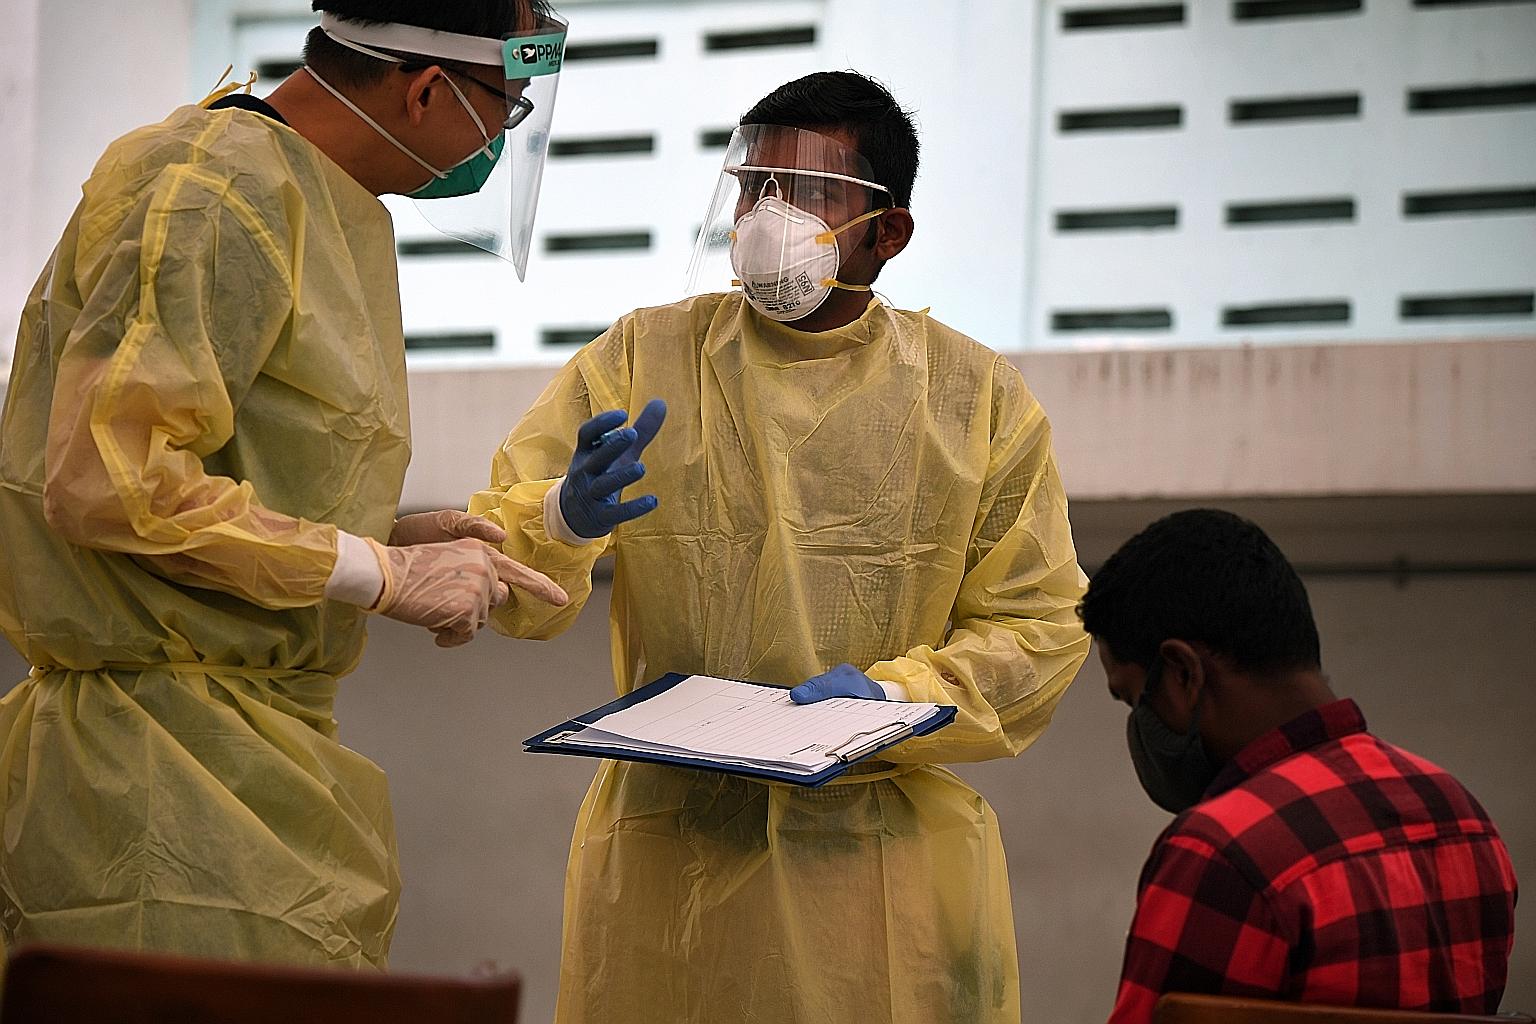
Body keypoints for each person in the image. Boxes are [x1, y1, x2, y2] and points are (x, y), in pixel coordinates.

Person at [471, 71, 1090, 1023]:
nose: (768, 217)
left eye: (808, 193)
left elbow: (1039, 627)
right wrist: (562, 517)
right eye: (755, 186)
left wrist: (895, 699)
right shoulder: (643, 359)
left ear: (888, 232)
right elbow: (501, 566)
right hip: (668, 866)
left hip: (873, 876)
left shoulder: (976, 400)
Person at [0, 0, 571, 968]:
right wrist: (376, 573)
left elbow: (223, 466)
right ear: (428, 90)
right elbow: (109, 481)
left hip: (242, 761)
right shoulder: (218, 190)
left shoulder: (306, 199)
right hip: (154, 786)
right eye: (504, 107)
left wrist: (379, 533)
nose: (498, 140)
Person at [1079, 509, 1518, 1023]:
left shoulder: (1221, 851)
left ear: (1182, 673)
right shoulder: (1464, 819)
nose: (1140, 726)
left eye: (1134, 699)